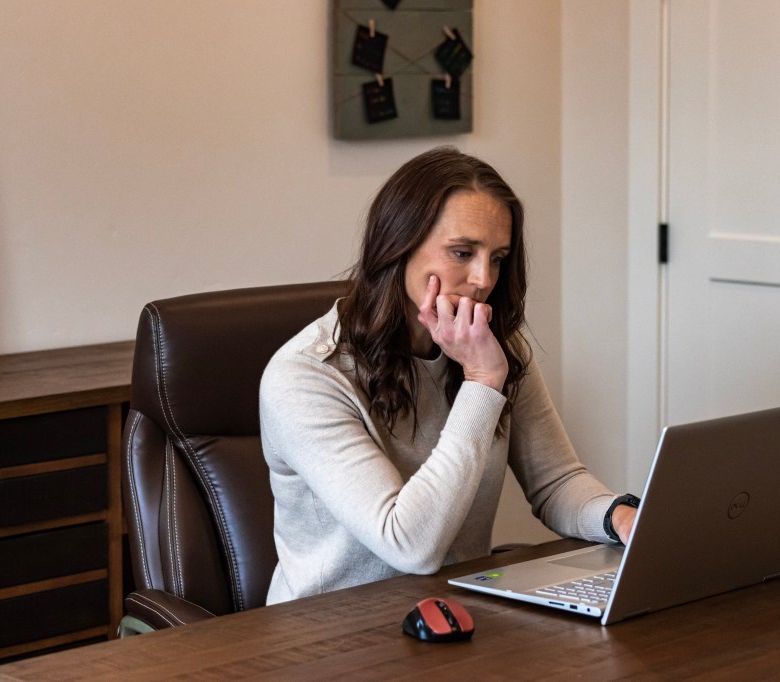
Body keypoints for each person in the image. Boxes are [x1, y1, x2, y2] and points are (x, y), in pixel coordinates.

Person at [259, 146, 638, 604]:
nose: (483, 279)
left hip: (457, 609)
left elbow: (555, 482)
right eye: (462, 252)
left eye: (497, 258)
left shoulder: (492, 348)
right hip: (329, 628)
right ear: (398, 246)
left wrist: (622, 518)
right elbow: (408, 544)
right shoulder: (304, 376)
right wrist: (481, 382)